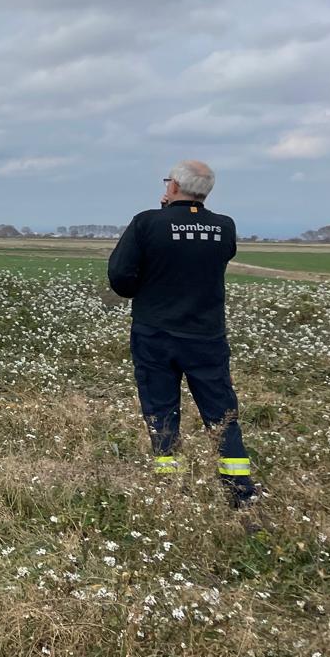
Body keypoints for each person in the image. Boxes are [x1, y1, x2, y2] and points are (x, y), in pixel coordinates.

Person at [107, 160, 256, 506]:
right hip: (207, 335)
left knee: (160, 406)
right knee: (221, 411)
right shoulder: (224, 226)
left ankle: (170, 484)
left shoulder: (147, 223)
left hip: (154, 331)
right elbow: (210, 252)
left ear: (173, 185)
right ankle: (240, 491)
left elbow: (120, 275)